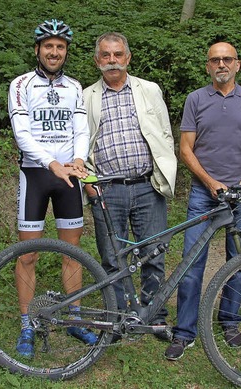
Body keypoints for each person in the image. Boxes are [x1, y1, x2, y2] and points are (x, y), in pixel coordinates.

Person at [165, 42, 241, 360]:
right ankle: (184, 332)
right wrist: (210, 182)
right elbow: (185, 149)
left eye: (227, 59)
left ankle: (229, 321)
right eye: (215, 60)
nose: (221, 64)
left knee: (238, 262)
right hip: (203, 195)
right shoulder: (195, 99)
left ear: (237, 64)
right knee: (192, 263)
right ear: (207, 66)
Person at [8, 19, 94, 359]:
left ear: (66, 52)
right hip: (36, 174)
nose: (54, 52)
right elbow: (22, 133)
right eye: (48, 46)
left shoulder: (74, 86)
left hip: (69, 176)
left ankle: (74, 317)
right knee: (27, 254)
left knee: (71, 251)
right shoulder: (21, 84)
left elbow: (80, 128)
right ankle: (27, 324)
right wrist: (51, 163)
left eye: (60, 47)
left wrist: (77, 158)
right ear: (37, 50)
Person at [83, 32, 177, 339]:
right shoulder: (86, 97)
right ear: (97, 60)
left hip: (146, 186)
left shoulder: (149, 90)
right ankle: (118, 317)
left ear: (128, 58)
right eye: (106, 55)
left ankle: (154, 315)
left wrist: (165, 172)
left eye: (118, 54)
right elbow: (80, 145)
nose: (112, 61)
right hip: (107, 189)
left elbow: (163, 133)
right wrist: (88, 183)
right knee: (112, 257)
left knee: (154, 252)